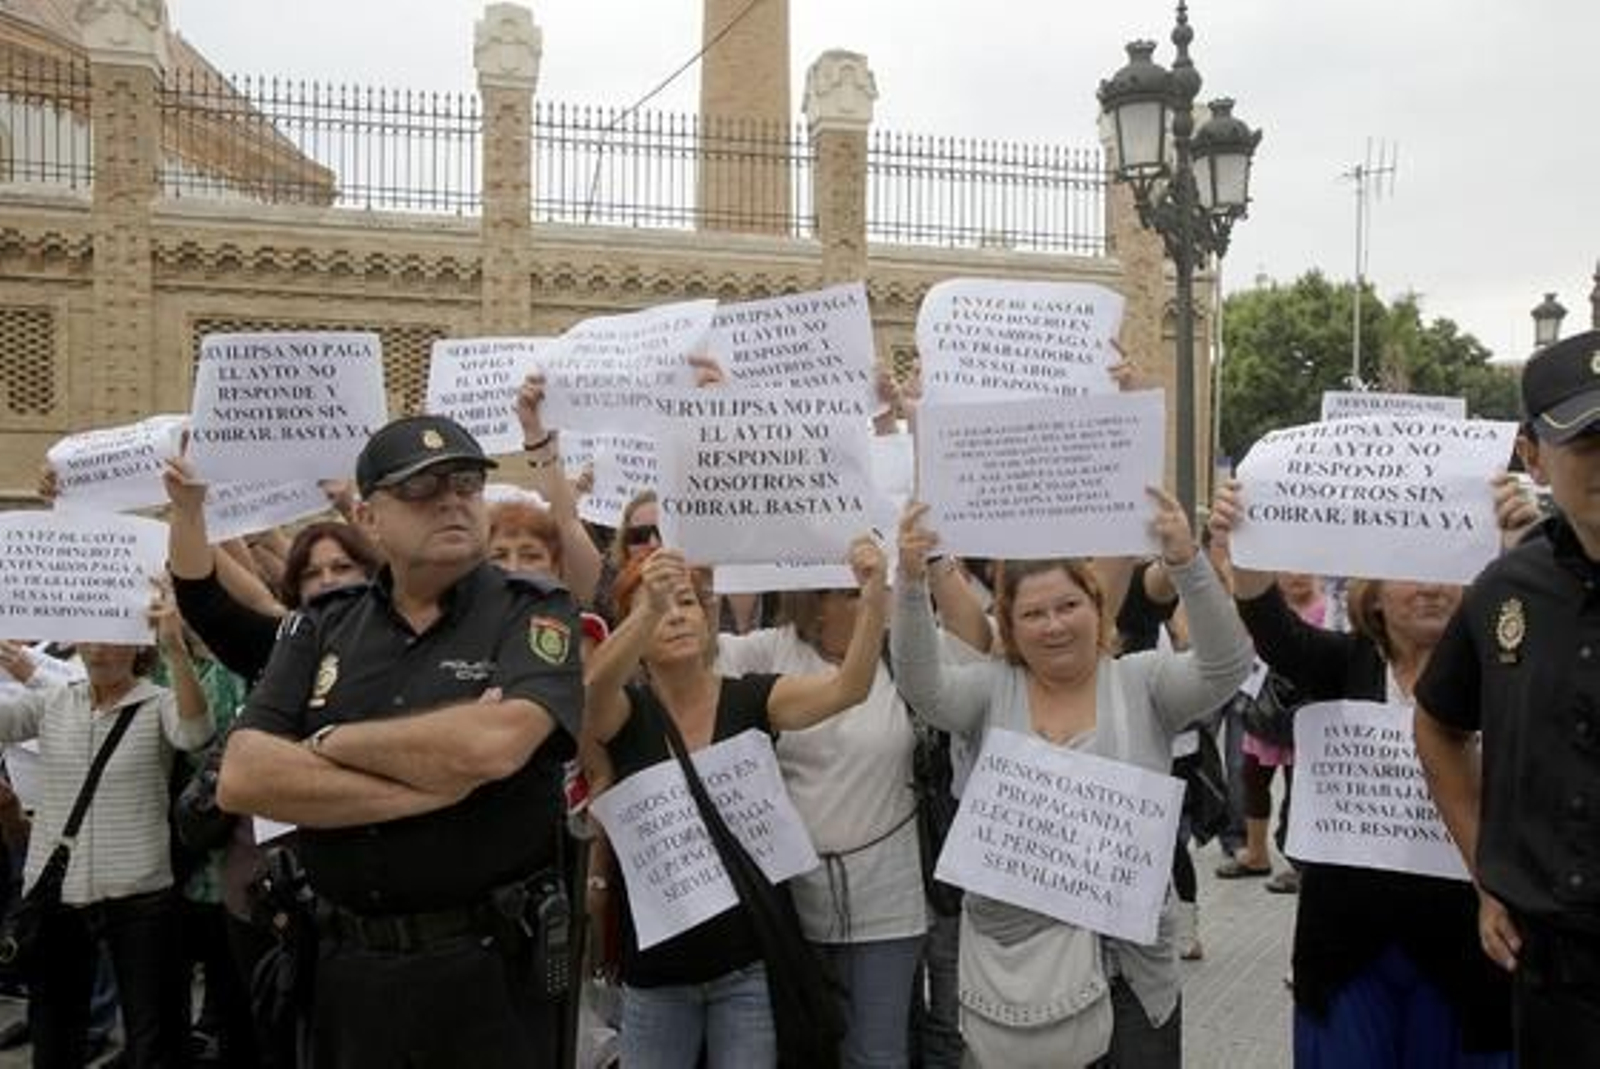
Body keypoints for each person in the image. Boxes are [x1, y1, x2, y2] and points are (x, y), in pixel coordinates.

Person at [217, 414, 584, 1069]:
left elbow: (492, 747)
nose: (451, 497)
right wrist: (432, 782)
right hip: (346, 977)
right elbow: (244, 775)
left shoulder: (533, 608)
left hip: (486, 974)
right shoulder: (322, 624)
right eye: (420, 487)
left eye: (467, 482)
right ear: (368, 515)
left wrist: (327, 741)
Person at [890, 493, 1253, 1068]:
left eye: (1067, 605)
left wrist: (1188, 561)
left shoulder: (1144, 684)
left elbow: (1226, 665)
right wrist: (911, 588)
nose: (1053, 625)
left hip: (1132, 976)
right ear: (1008, 626)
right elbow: (921, 684)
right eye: (1032, 614)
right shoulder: (989, 692)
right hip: (1021, 978)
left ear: (1097, 606)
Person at [1211, 479, 1517, 1067]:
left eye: (1444, 572)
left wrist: (1522, 539)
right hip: (1349, 947)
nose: (1430, 588)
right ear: (1372, 597)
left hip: (1465, 943)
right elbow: (1274, 629)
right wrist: (1245, 535)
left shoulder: (1501, 669)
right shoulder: (1342, 662)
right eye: (1409, 572)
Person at [583, 537, 889, 1069]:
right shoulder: (625, 715)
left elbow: (849, 689)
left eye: (687, 603)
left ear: (708, 618)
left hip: (747, 968)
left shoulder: (752, 697)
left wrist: (873, 597)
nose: (675, 617)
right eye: (657, 608)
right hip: (655, 980)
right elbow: (588, 696)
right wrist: (644, 609)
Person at [713, 563, 988, 1069]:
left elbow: (976, 644)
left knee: (875, 1053)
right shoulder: (771, 649)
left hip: (889, 898)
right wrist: (698, 569)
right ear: (814, 602)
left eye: (871, 589)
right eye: (849, 592)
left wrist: (934, 561)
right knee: (811, 1048)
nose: (870, 600)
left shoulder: (899, 651)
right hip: (796, 900)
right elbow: (697, 662)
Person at [1415, 329, 1600, 1068]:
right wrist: (1488, 871)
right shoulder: (1504, 591)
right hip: (1552, 976)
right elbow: (1437, 724)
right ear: (1532, 454)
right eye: (1586, 439)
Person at [0, 593, 214, 1068]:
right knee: (54, 1031)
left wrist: (176, 648)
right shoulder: (55, 699)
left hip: (140, 895)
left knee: (151, 1034)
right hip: (56, 891)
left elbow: (195, 733)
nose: (100, 651)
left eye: (115, 640)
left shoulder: (158, 703)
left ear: (139, 646)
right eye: (91, 639)